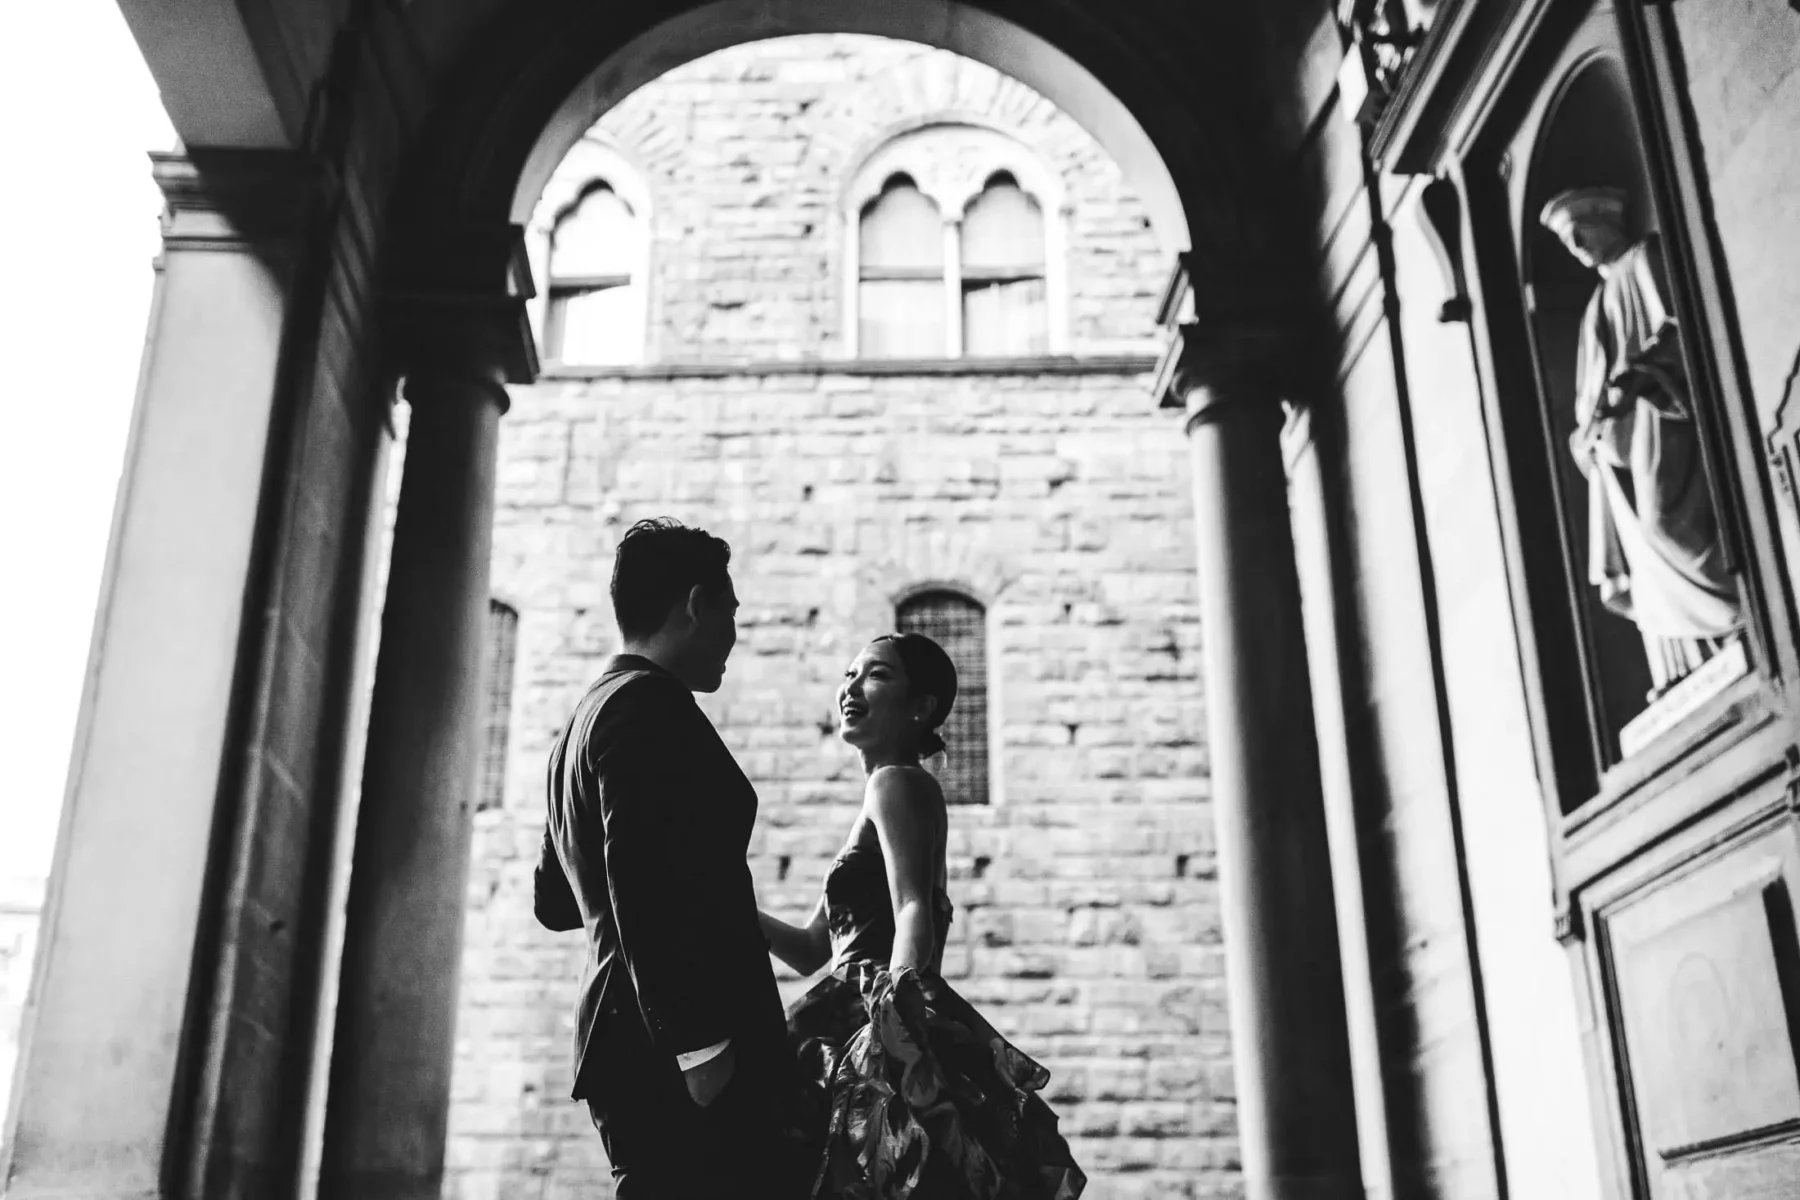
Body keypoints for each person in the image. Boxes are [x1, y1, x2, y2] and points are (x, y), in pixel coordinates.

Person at [759, 632, 1087, 1199]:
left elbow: (915, 905)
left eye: (876, 674)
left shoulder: (895, 782)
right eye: (849, 673)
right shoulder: (892, 789)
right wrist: (731, 903)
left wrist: (895, 1017)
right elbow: (815, 947)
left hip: (871, 1005)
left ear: (921, 707)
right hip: (858, 1000)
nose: (851, 687)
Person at [534, 517, 805, 1198]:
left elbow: (556, 900)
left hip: (626, 1047)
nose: (734, 636)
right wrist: (700, 1044)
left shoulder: (579, 723)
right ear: (694, 604)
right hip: (681, 1055)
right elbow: (644, 883)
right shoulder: (648, 709)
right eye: (731, 612)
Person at [1539, 185, 1740, 697]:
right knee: (1633, 553)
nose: (1578, 246)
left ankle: (1736, 611)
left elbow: (1678, 325)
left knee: (1666, 523)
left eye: (1581, 233)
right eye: (1569, 243)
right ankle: (1689, 662)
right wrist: (1588, 428)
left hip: (1660, 413)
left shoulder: (1645, 257)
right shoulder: (1593, 307)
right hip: (1618, 442)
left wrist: (1633, 382)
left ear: (1607, 223)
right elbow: (1588, 390)